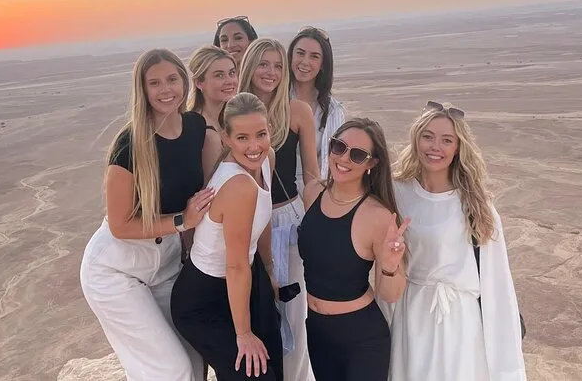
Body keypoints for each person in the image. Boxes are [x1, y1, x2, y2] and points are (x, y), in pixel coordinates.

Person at [79, 48, 213, 381]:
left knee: (195, 360)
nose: (166, 89)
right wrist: (182, 221)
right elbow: (120, 225)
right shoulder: (130, 145)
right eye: (155, 83)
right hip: (117, 268)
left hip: (165, 263)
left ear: (184, 82)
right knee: (170, 369)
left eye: (172, 79)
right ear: (143, 90)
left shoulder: (195, 127)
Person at [387, 101, 526, 381]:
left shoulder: (475, 205)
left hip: (459, 324)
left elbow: (497, 282)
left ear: (458, 147)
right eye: (428, 136)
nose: (435, 147)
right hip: (410, 316)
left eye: (447, 140)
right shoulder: (396, 191)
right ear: (416, 139)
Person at [171, 92, 283, 380]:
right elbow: (234, 265)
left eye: (261, 134)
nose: (254, 146)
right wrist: (243, 334)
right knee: (255, 374)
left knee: (273, 362)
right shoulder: (238, 186)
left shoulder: (266, 160)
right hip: (204, 298)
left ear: (270, 129)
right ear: (226, 138)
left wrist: (268, 270)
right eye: (242, 137)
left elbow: (262, 222)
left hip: (245, 280)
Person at [298, 118, 409, 381]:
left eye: (357, 155)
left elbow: (390, 294)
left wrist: (390, 266)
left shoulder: (378, 216)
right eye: (339, 147)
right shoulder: (312, 193)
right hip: (317, 332)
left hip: (362, 340)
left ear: (372, 164)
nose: (344, 158)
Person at [238, 37, 320, 380]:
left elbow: (312, 176)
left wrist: (318, 228)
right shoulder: (233, 112)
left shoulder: (297, 111)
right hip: (246, 224)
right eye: (263, 64)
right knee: (255, 312)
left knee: (296, 314)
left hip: (288, 220)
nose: (270, 72)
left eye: (277, 65)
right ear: (249, 67)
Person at [288, 26, 346, 193]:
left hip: (316, 191)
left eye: (314, 56)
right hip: (278, 195)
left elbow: (334, 162)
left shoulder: (333, 110)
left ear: (322, 64)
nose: (305, 62)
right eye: (300, 53)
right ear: (290, 56)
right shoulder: (276, 100)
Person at [186, 45, 238, 182]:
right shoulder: (207, 133)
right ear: (199, 83)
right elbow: (212, 187)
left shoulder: (225, 120)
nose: (229, 81)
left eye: (232, 73)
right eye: (219, 75)